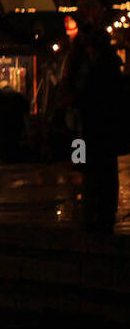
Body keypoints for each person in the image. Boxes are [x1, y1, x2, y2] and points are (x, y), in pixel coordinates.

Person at [61, 12, 124, 232]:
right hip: (101, 129)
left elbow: (78, 96)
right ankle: (103, 210)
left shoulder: (89, 67)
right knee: (103, 169)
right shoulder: (111, 67)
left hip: (88, 127)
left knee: (88, 167)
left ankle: (93, 210)